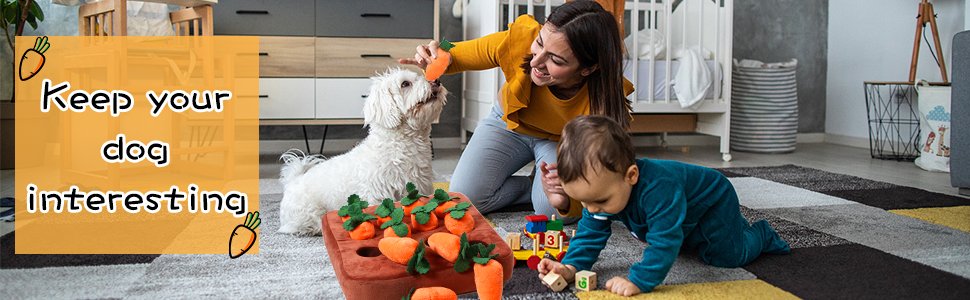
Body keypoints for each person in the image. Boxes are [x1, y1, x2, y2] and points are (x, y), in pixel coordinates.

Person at [399, 0, 633, 219]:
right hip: (507, 126)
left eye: (556, 60)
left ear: (588, 69)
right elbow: (453, 49)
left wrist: (566, 201)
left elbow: (603, 182)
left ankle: (540, 193)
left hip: (563, 142)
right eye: (539, 43)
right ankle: (530, 187)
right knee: (463, 199)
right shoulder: (521, 39)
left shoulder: (604, 102)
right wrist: (439, 49)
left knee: (553, 210)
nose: (535, 62)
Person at [536, 115, 791, 296]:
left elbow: (665, 240)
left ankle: (761, 234)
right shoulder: (603, 193)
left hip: (713, 199)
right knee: (681, 240)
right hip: (682, 206)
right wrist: (570, 267)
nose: (591, 209)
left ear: (631, 175)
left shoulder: (659, 188)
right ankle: (722, 230)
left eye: (600, 201)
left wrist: (639, 280)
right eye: (584, 202)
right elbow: (590, 234)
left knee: (725, 256)